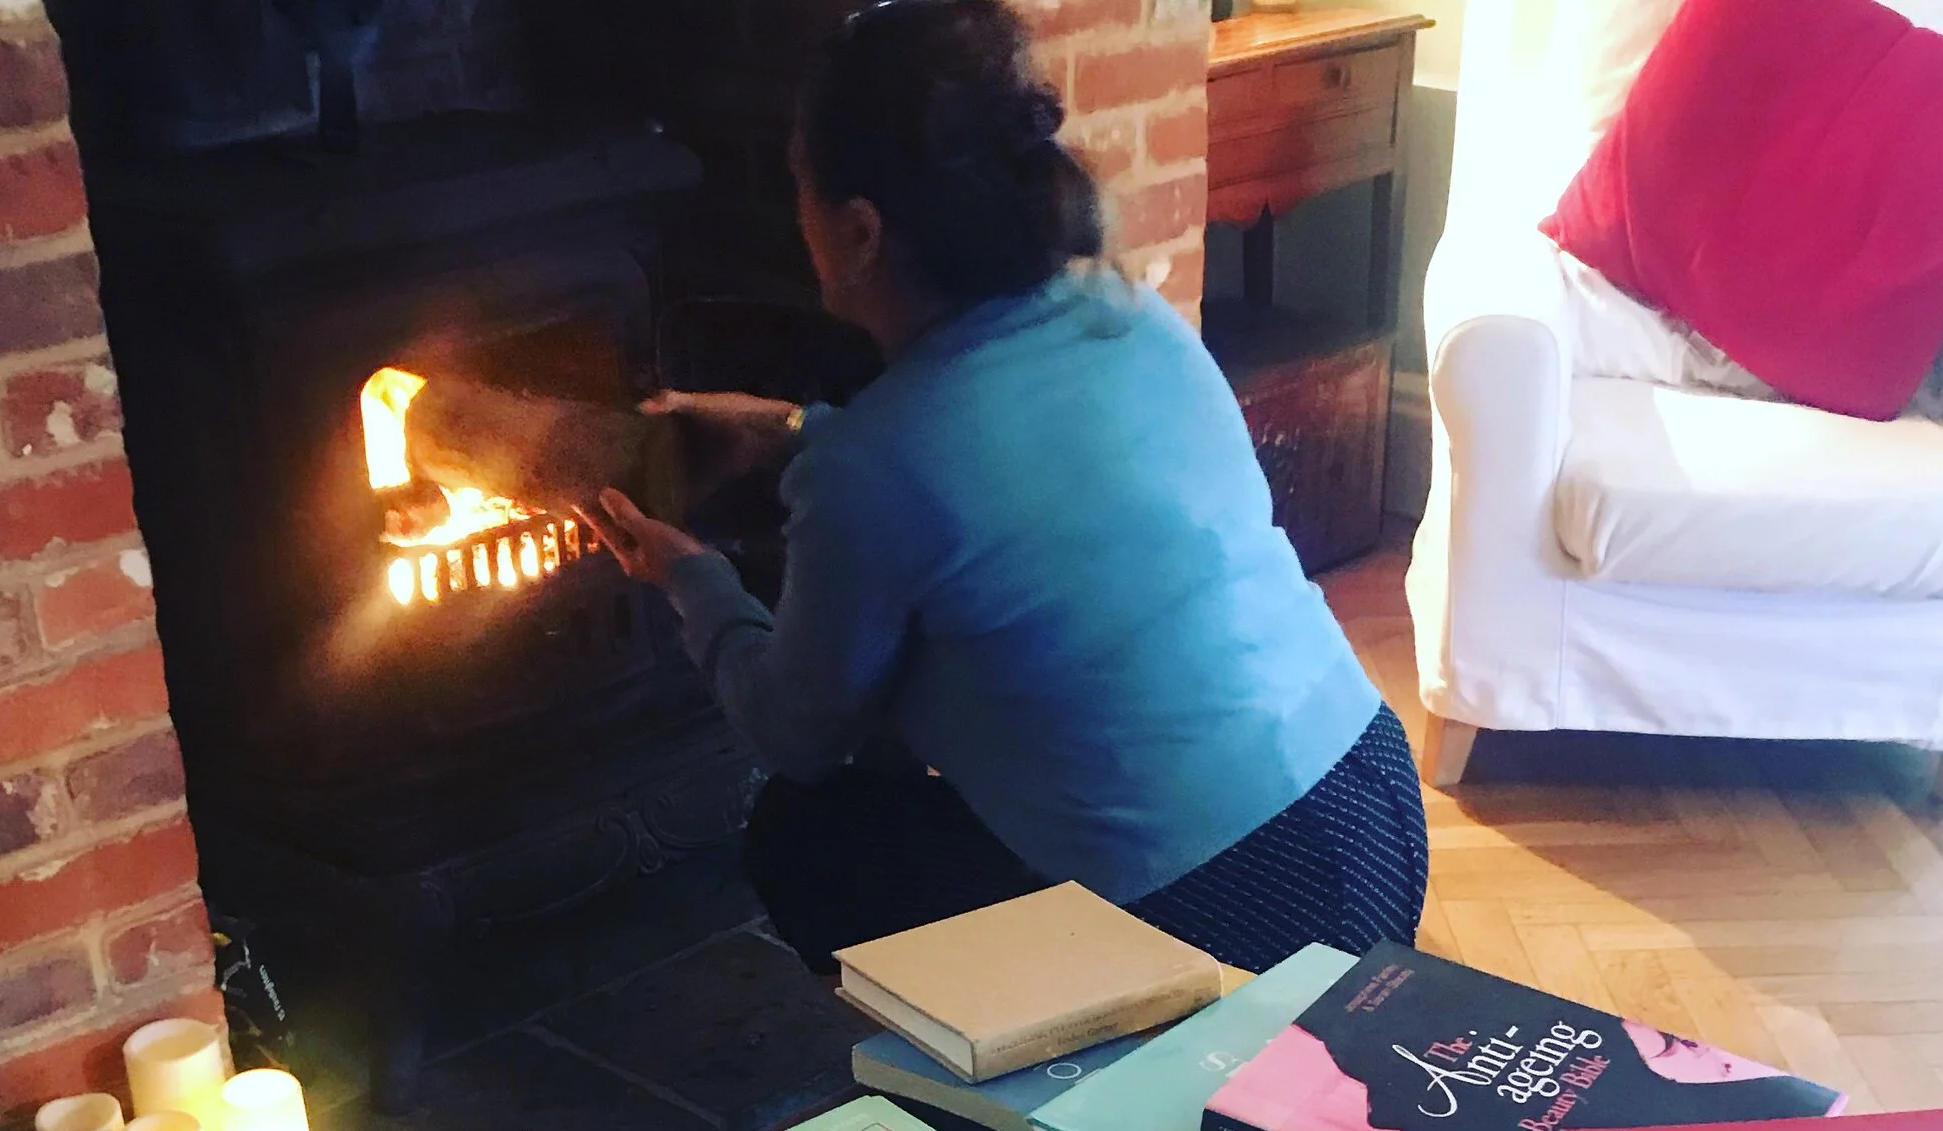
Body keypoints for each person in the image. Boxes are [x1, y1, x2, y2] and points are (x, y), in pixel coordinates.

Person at [591, 0, 1428, 976]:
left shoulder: (876, 465)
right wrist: (793, 432)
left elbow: (795, 731)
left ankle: (1061, 1062)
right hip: (1372, 806)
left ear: (858, 231)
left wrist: (693, 578)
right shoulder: (1130, 315)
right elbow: (1000, 478)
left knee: (807, 837)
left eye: (797, 187)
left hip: (1231, 909)